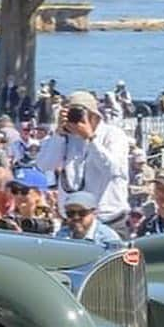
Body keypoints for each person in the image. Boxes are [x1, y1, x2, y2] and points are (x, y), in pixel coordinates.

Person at [36, 90, 130, 234]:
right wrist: (59, 134)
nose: (74, 119)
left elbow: (112, 171)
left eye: (78, 114)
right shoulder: (64, 137)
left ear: (93, 115)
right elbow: (44, 165)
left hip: (107, 222)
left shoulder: (113, 135)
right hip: (72, 220)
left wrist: (91, 138)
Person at [54, 191, 123, 249]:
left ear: (94, 213)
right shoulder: (61, 235)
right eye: (70, 213)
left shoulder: (108, 238)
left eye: (82, 213)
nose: (76, 217)